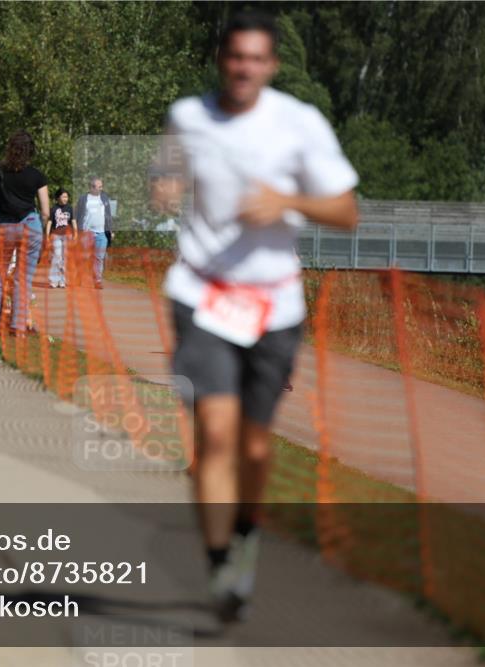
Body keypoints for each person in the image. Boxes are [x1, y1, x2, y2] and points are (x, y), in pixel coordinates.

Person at [150, 11, 359, 622]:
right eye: (234, 56)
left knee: (255, 448)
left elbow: (347, 211)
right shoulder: (188, 117)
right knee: (214, 432)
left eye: (255, 58)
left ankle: (244, 533)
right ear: (222, 59)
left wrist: (287, 200)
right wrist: (163, 186)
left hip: (273, 304)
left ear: (271, 65)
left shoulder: (300, 124)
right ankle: (220, 567)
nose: (243, 68)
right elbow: (167, 168)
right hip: (201, 294)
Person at [0, 131, 49, 333]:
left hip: (4, 226)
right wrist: (43, 233)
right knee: (23, 278)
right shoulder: (37, 176)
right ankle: (18, 325)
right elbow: (46, 211)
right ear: (30, 151)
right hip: (31, 226)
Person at [74, 177, 113, 288]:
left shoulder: (104, 198)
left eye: (101, 187)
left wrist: (110, 230)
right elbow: (76, 215)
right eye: (97, 187)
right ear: (91, 187)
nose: (100, 189)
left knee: (99, 258)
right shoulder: (83, 199)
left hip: (101, 233)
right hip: (87, 232)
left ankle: (97, 280)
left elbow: (108, 215)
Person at [47, 188, 75, 288]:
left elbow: (73, 221)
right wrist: (47, 235)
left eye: (67, 197)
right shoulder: (53, 208)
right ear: (58, 197)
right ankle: (54, 280)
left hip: (67, 235)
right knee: (57, 256)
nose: (65, 198)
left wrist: (75, 234)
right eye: (63, 196)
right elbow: (50, 222)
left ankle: (63, 280)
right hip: (56, 235)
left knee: (65, 258)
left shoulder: (70, 208)